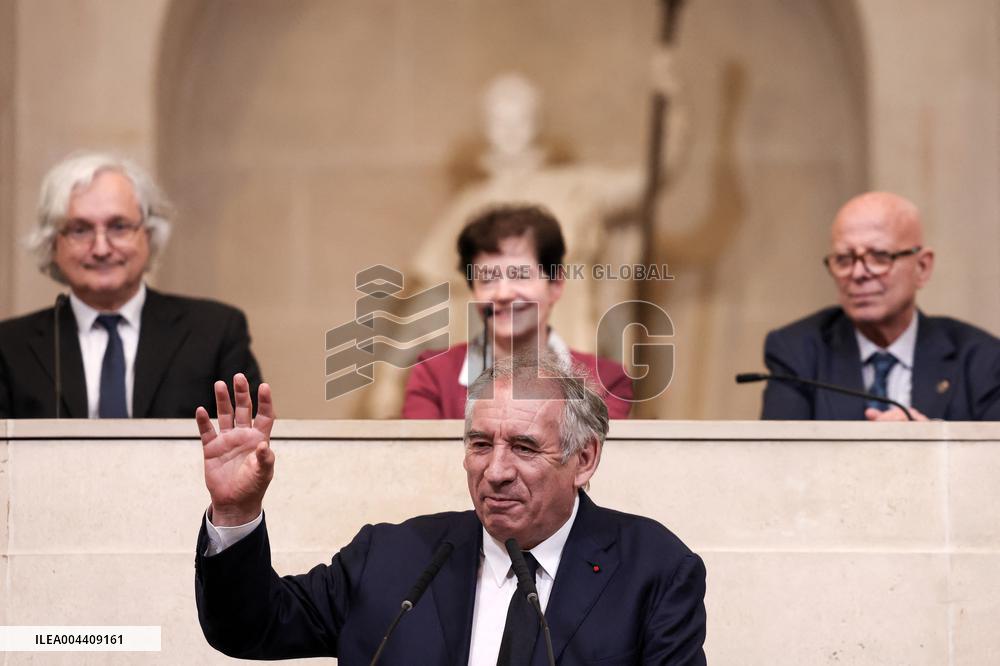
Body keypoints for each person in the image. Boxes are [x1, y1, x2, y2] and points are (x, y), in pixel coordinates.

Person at [195, 357, 707, 664]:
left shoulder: (653, 570)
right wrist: (235, 512)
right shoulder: (390, 558)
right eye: (480, 444)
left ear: (585, 458)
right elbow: (249, 628)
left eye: (525, 448)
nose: (496, 470)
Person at [0, 151, 262, 418]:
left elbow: (248, 445)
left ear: (148, 235)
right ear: (53, 244)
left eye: (119, 226)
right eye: (80, 229)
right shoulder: (9, 347)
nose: (101, 248)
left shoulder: (215, 331)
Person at [761, 191, 1000, 421]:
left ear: (922, 267)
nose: (858, 273)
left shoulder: (981, 359)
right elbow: (780, 457)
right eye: (844, 260)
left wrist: (929, 444)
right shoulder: (797, 351)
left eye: (879, 257)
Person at [402, 204, 634, 419]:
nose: (503, 294)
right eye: (488, 280)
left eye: (520, 276)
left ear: (556, 285)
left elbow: (593, 461)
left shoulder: (607, 381)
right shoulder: (433, 373)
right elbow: (422, 460)